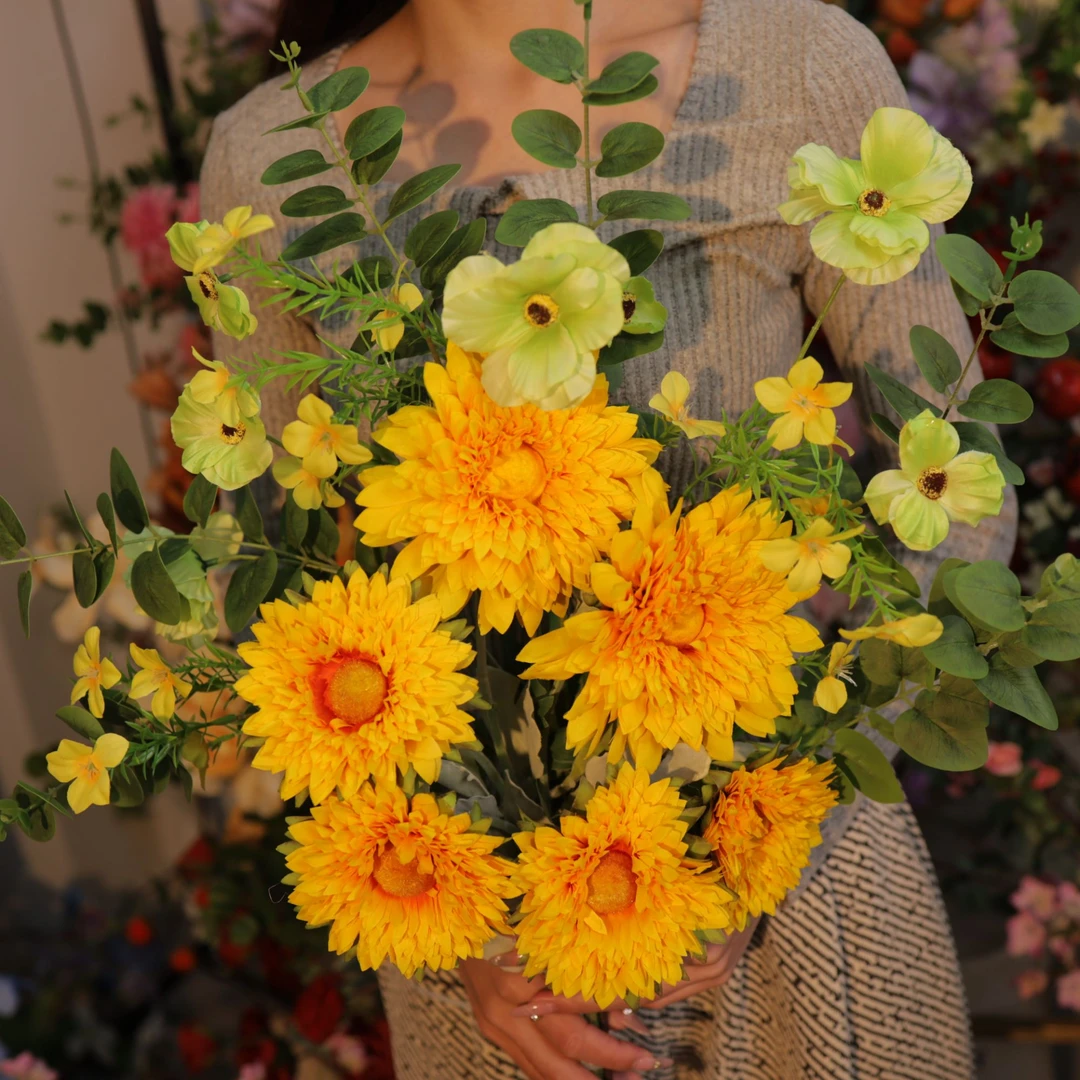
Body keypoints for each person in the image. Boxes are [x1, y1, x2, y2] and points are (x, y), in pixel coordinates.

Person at [202, 1, 1017, 1077]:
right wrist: (465, 921)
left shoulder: (798, 67)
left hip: (799, 890)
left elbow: (955, 488)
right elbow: (269, 574)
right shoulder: (269, 154)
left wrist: (759, 828)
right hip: (496, 968)